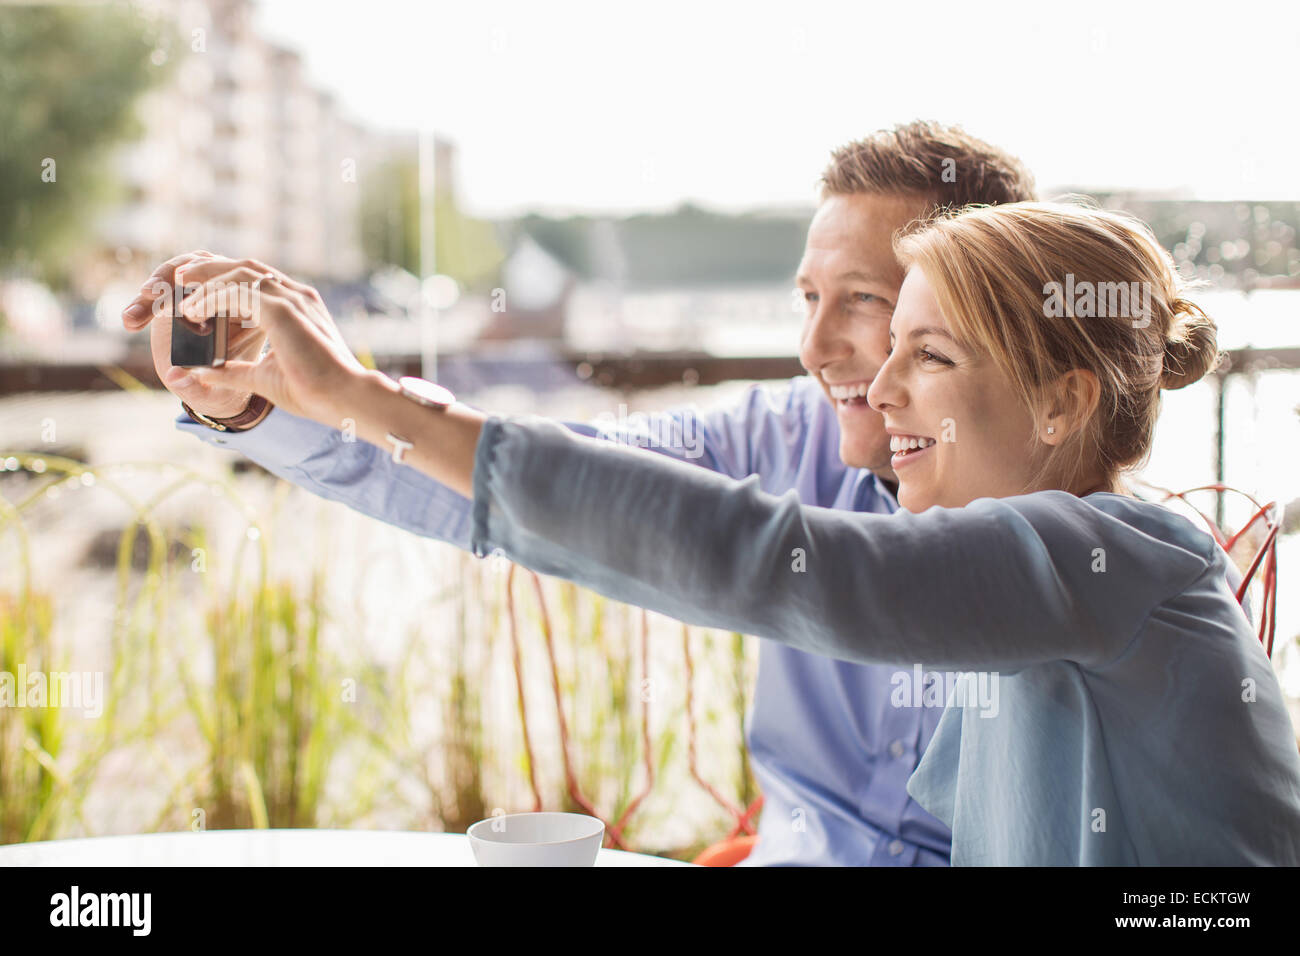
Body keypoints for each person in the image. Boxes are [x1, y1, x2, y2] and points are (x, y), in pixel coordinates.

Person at [139, 198, 1300, 864]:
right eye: (847, 317)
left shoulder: (1106, 553)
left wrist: (361, 394)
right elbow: (597, 497)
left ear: (1063, 401)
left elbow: (781, 570)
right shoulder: (1007, 567)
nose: (868, 384)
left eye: (924, 352)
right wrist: (280, 402)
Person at [122, 122, 1036, 866]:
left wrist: (353, 392)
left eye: (865, 301)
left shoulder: (1080, 549)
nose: (815, 346)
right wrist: (259, 403)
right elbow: (532, 484)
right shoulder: (780, 434)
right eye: (806, 298)